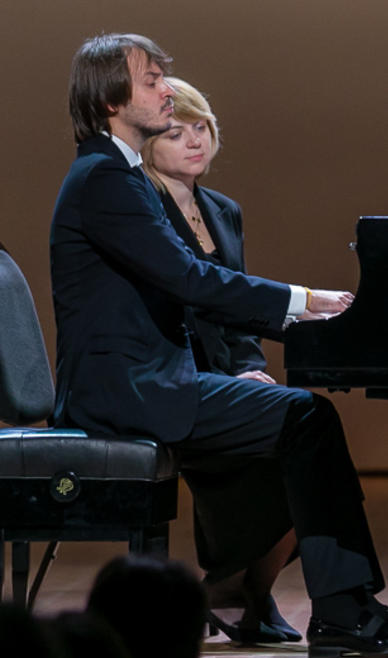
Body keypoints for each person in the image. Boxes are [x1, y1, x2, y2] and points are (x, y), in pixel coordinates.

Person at [50, 33, 388, 654]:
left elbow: (197, 288)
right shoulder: (106, 178)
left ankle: (311, 602)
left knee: (302, 421)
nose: (165, 91)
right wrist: (305, 301)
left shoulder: (117, 175)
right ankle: (340, 610)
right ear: (110, 100)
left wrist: (299, 315)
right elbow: (192, 281)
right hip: (128, 390)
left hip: (146, 380)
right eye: (151, 80)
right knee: (307, 418)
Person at [140, 77, 299, 643]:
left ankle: (241, 588)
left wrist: (246, 367)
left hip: (218, 374)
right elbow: (182, 301)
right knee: (290, 437)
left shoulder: (223, 210)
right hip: (170, 374)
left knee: (298, 441)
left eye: (201, 127)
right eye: (174, 133)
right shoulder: (143, 208)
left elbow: (237, 309)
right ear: (146, 145)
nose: (194, 141)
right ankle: (237, 589)